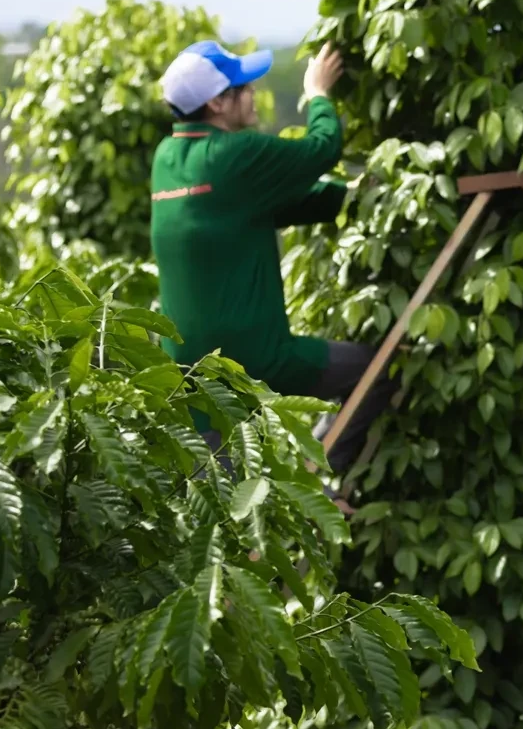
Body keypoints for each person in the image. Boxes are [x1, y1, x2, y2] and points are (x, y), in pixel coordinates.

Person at [151, 40, 392, 475]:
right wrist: (318, 93)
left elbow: (257, 208)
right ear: (218, 102)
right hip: (256, 359)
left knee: (218, 493)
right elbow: (322, 148)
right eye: (244, 88)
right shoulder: (234, 153)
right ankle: (324, 476)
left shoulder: (166, 158)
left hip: (190, 370)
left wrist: (350, 197)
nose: (253, 94)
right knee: (374, 368)